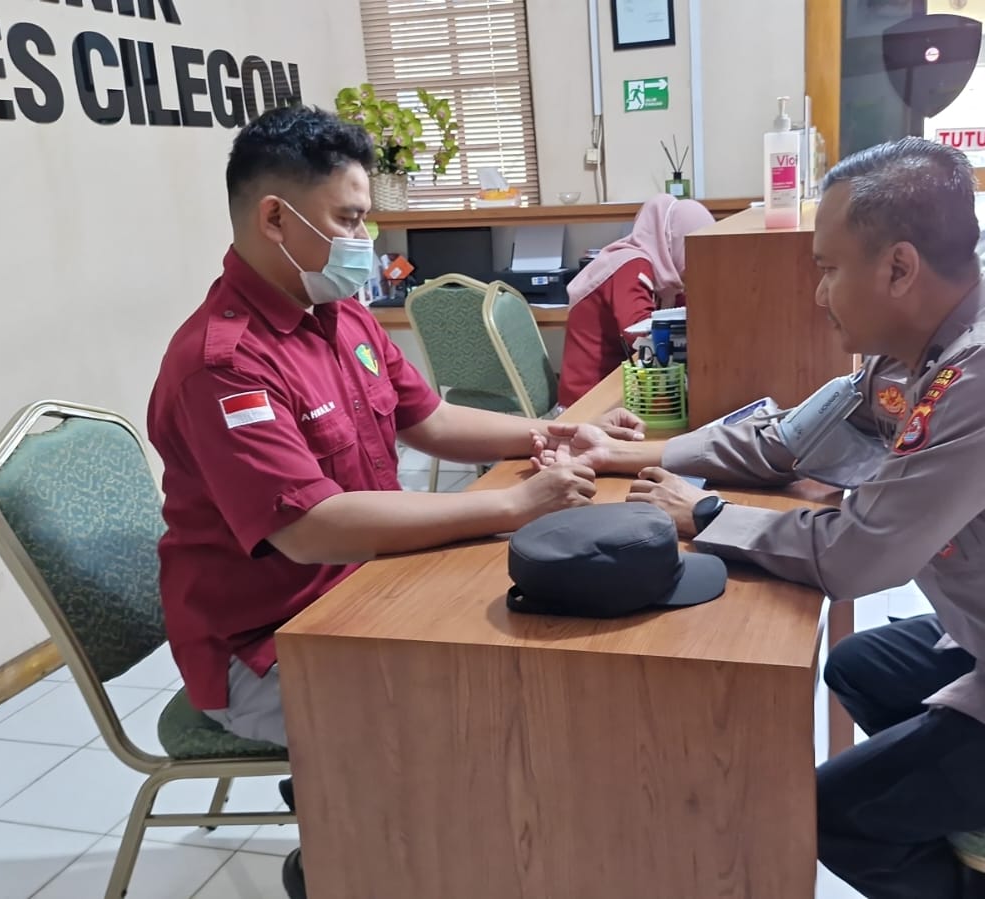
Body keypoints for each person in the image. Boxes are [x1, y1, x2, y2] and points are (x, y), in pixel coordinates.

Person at [537, 138, 985, 899]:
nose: (820, 294)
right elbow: (786, 441)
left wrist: (707, 514)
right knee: (860, 667)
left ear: (898, 268)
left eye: (828, 268)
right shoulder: (915, 353)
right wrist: (632, 453)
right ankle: (975, 829)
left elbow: (856, 557)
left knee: (827, 814)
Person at [146, 104, 640, 898]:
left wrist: (549, 434)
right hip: (266, 644)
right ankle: (347, 856)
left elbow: (430, 420)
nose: (364, 239)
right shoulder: (223, 365)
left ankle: (375, 815)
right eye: (348, 219)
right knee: (464, 714)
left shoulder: (338, 312)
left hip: (363, 586)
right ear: (275, 219)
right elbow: (311, 529)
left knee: (525, 648)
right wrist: (514, 506)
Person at [555, 194, 716, 406]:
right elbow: (641, 333)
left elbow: (686, 313)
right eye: (693, 250)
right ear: (672, 240)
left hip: (623, 390)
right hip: (588, 403)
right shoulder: (630, 264)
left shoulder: (664, 275)